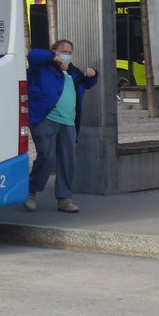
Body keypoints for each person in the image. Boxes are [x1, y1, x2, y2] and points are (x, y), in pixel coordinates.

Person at [25, 38, 98, 213]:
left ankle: (64, 198)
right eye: (63, 51)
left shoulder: (73, 73)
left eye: (69, 52)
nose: (67, 55)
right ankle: (31, 192)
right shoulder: (42, 67)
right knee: (47, 157)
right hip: (46, 118)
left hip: (68, 122)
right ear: (54, 51)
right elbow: (33, 54)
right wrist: (53, 58)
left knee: (68, 160)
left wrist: (93, 73)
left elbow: (87, 82)